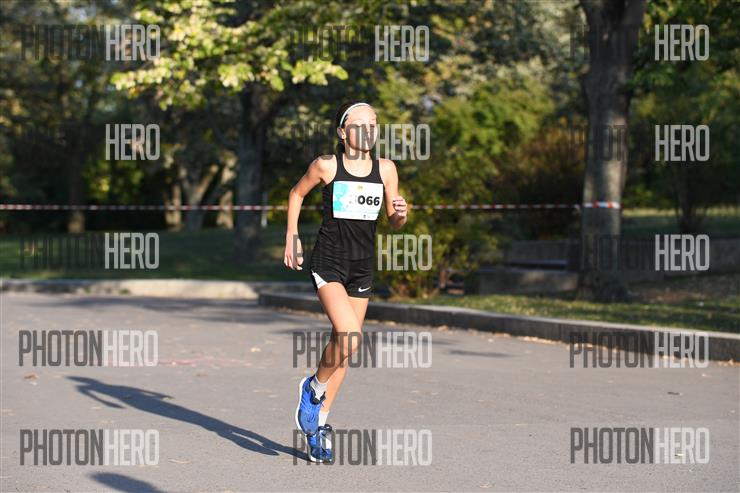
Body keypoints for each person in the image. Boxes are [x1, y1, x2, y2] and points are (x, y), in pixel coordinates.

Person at [284, 101, 408, 462]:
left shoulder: (386, 169)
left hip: (362, 267)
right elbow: (296, 194)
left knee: (344, 347)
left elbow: (394, 218)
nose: (368, 131)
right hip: (329, 263)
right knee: (350, 335)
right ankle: (313, 388)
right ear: (342, 132)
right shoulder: (326, 165)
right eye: (359, 125)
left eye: (374, 124)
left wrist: (401, 213)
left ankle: (317, 425)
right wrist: (292, 235)